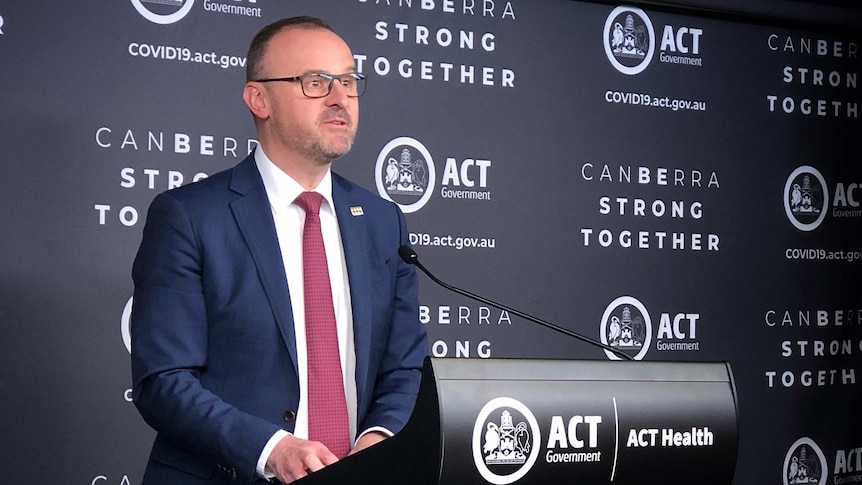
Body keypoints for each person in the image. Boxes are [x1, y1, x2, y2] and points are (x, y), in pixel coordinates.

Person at [130, 16, 428, 485]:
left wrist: (380, 436)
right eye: (316, 82)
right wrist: (272, 449)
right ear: (259, 99)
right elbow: (163, 381)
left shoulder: (382, 220)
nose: (340, 98)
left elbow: (404, 362)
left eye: (348, 81)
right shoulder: (188, 216)